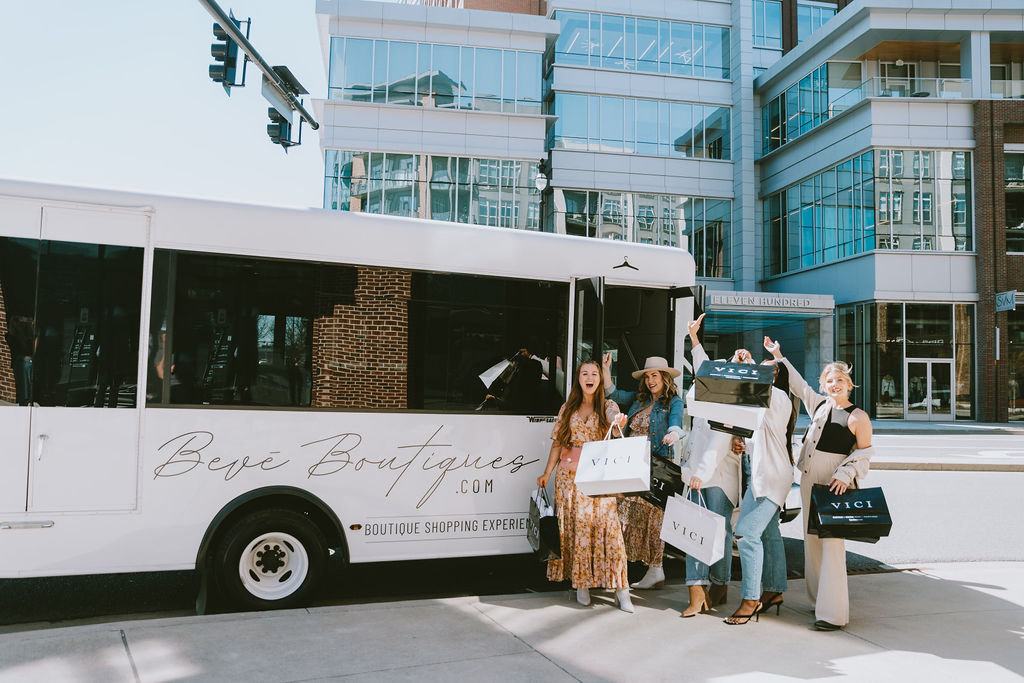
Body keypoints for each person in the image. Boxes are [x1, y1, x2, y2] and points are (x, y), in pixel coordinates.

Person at [764, 337, 874, 631]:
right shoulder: (821, 406)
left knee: (832, 547)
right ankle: (818, 603)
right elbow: (799, 386)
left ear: (849, 384)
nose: (834, 384)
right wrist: (778, 354)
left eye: (839, 379)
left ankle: (833, 614)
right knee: (812, 544)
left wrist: (845, 474)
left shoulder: (858, 416)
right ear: (824, 384)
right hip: (810, 479)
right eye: (829, 380)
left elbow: (865, 453)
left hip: (834, 483)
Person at [537, 360, 633, 612]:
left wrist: (620, 421)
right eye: (584, 373)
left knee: (611, 532)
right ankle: (582, 585)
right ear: (578, 379)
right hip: (569, 478)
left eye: (594, 374)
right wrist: (547, 472)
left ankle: (622, 588)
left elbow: (615, 421)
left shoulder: (608, 406)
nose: (589, 377)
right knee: (579, 531)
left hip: (598, 477)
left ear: (600, 379)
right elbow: (558, 442)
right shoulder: (567, 407)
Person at [602, 351, 684, 591]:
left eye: (655, 375)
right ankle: (621, 570)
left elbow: (678, 424)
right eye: (648, 376)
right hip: (633, 464)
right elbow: (613, 394)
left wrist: (674, 434)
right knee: (626, 517)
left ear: (665, 377)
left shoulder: (673, 402)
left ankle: (656, 570)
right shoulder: (640, 399)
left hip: (657, 466)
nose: (650, 380)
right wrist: (607, 370)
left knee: (654, 521)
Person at [679, 313, 744, 616]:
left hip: (719, 475)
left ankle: (717, 585)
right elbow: (703, 365)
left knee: (719, 532)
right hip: (696, 471)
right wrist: (694, 337)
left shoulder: (733, 399)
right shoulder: (708, 386)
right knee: (695, 529)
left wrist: (701, 474)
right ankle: (697, 589)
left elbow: (720, 441)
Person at [724, 354, 796, 626]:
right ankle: (774, 590)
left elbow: (751, 385)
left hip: (772, 477)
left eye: (767, 370)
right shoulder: (760, 402)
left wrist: (745, 365)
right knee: (768, 532)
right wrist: (741, 442)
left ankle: (751, 598)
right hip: (763, 476)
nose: (759, 373)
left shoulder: (779, 397)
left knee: (745, 533)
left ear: (776, 377)